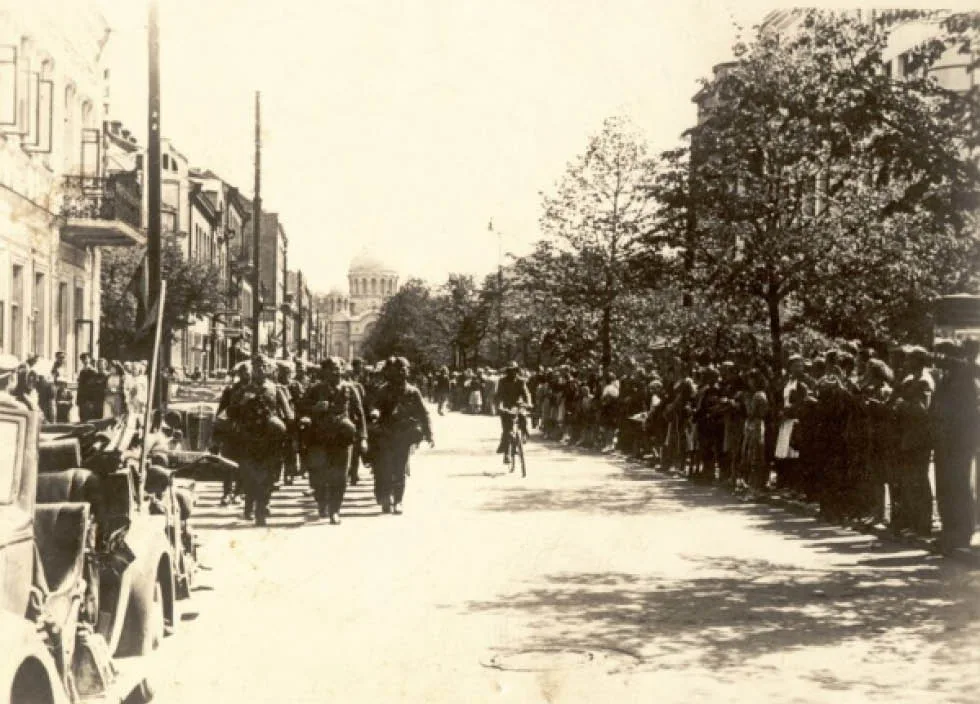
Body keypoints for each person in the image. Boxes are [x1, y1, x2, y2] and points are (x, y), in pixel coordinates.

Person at [300, 357, 367, 523]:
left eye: (337, 368)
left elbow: (359, 414)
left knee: (341, 476)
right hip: (319, 438)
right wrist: (314, 409)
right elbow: (301, 409)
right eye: (330, 369)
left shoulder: (350, 389)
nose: (335, 372)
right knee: (318, 475)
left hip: (343, 438)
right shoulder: (315, 389)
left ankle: (335, 510)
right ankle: (322, 502)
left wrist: (363, 438)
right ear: (323, 371)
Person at [228, 356, 293, 526]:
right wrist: (243, 402)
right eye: (257, 366)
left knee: (268, 475)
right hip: (248, 438)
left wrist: (279, 423)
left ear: (269, 369)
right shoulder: (243, 390)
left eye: (264, 366)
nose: (260, 370)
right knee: (249, 474)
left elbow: (289, 415)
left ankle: (262, 506)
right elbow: (230, 413)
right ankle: (250, 504)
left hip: (270, 439)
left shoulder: (277, 390)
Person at [372, 357, 433, 514]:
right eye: (396, 372)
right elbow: (375, 406)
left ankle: (398, 500)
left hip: (403, 435)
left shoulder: (412, 391)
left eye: (403, 371)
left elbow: (423, 413)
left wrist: (429, 433)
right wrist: (375, 413)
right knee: (385, 468)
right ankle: (386, 497)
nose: (400, 374)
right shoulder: (383, 390)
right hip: (385, 434)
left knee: (399, 468)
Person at [495, 362, 531, 464]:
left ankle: (524, 433)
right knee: (507, 430)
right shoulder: (502, 381)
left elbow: (526, 394)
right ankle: (506, 453)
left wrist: (528, 403)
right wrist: (499, 406)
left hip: (517, 405)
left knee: (523, 416)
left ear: (517, 371)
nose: (513, 373)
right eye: (510, 371)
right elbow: (499, 395)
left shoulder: (521, 381)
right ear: (508, 371)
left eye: (514, 370)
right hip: (506, 407)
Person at [76, 353, 103, 421]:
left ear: (89, 359)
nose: (84, 361)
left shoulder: (93, 371)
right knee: (81, 415)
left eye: (86, 359)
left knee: (89, 416)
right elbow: (80, 385)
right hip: (82, 396)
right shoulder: (82, 371)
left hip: (89, 397)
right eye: (83, 359)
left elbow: (93, 385)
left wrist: (91, 399)